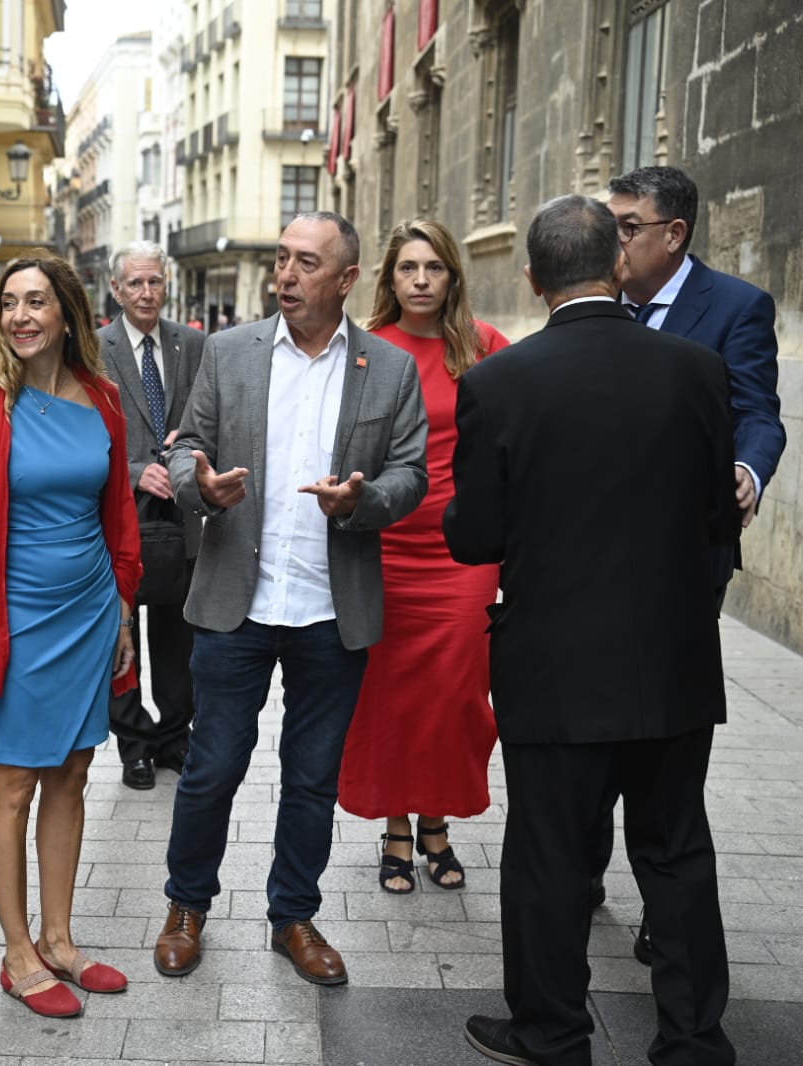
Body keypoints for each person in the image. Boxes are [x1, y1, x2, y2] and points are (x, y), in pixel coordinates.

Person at [446, 193, 740, 1066]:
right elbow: (715, 518)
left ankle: (551, 1031)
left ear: (532, 279)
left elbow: (475, 536)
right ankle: (692, 1039)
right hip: (674, 660)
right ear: (618, 265)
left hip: (554, 664)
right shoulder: (695, 369)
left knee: (548, 854)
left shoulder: (496, 383)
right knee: (676, 849)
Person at [153, 212, 428, 987]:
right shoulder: (229, 351)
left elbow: (413, 474)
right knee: (211, 767)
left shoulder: (389, 368)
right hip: (235, 604)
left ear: (345, 280)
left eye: (306, 263)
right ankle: (185, 906)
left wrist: (363, 500)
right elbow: (183, 451)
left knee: (311, 777)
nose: (285, 275)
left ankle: (293, 917)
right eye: (280, 259)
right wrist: (199, 489)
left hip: (329, 610)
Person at [0, 251, 141, 1020]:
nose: (19, 315)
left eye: (35, 301)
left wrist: (121, 616)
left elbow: (119, 516)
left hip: (87, 614)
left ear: (66, 313)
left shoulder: (103, 399)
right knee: (12, 781)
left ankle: (59, 939)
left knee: (73, 775)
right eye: (8, 301)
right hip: (9, 620)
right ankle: (17, 956)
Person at [599, 165, 788, 951]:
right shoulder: (594, 307)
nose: (611, 243)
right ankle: (577, 875)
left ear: (673, 234)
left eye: (626, 227)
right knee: (589, 725)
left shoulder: (734, 308)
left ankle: (663, 901)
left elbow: (758, 416)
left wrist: (744, 474)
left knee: (662, 741)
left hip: (681, 562)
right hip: (591, 557)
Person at [336, 220, 510, 893]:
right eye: (407, 268)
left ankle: (437, 820)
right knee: (388, 696)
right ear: (388, 278)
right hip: (382, 549)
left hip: (461, 553)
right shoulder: (366, 349)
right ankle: (399, 830)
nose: (419, 280)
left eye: (432, 268)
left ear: (452, 277)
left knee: (455, 692)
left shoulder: (484, 347)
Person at [98, 240, 205, 790]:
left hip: (181, 517)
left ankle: (174, 738)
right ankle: (134, 745)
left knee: (176, 637)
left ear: (167, 285)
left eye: (155, 282)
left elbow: (211, 418)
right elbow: (86, 433)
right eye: (135, 283)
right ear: (116, 289)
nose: (146, 292)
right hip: (119, 516)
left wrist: (191, 450)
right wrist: (137, 468)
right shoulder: (95, 350)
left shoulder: (193, 345)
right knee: (124, 634)